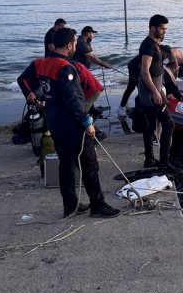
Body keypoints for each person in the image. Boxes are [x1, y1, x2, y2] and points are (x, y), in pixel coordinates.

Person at [18, 27, 119, 218]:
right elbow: (73, 99)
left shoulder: (39, 63)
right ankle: (97, 205)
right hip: (72, 125)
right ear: (70, 45)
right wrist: (87, 122)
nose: (75, 46)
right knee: (89, 165)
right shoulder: (66, 67)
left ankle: (70, 206)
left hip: (54, 123)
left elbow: (22, 79)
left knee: (66, 165)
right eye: (74, 43)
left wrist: (30, 95)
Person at [136, 14, 175, 170]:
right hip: (151, 93)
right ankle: (164, 163)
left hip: (152, 91)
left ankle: (149, 159)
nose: (164, 32)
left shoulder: (153, 44)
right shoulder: (148, 46)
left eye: (165, 29)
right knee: (169, 124)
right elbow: (144, 71)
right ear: (153, 28)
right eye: (162, 29)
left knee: (150, 126)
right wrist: (156, 92)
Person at [118, 54, 140, 118]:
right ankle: (121, 108)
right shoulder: (151, 50)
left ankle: (123, 107)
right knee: (132, 88)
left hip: (137, 66)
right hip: (134, 67)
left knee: (132, 88)